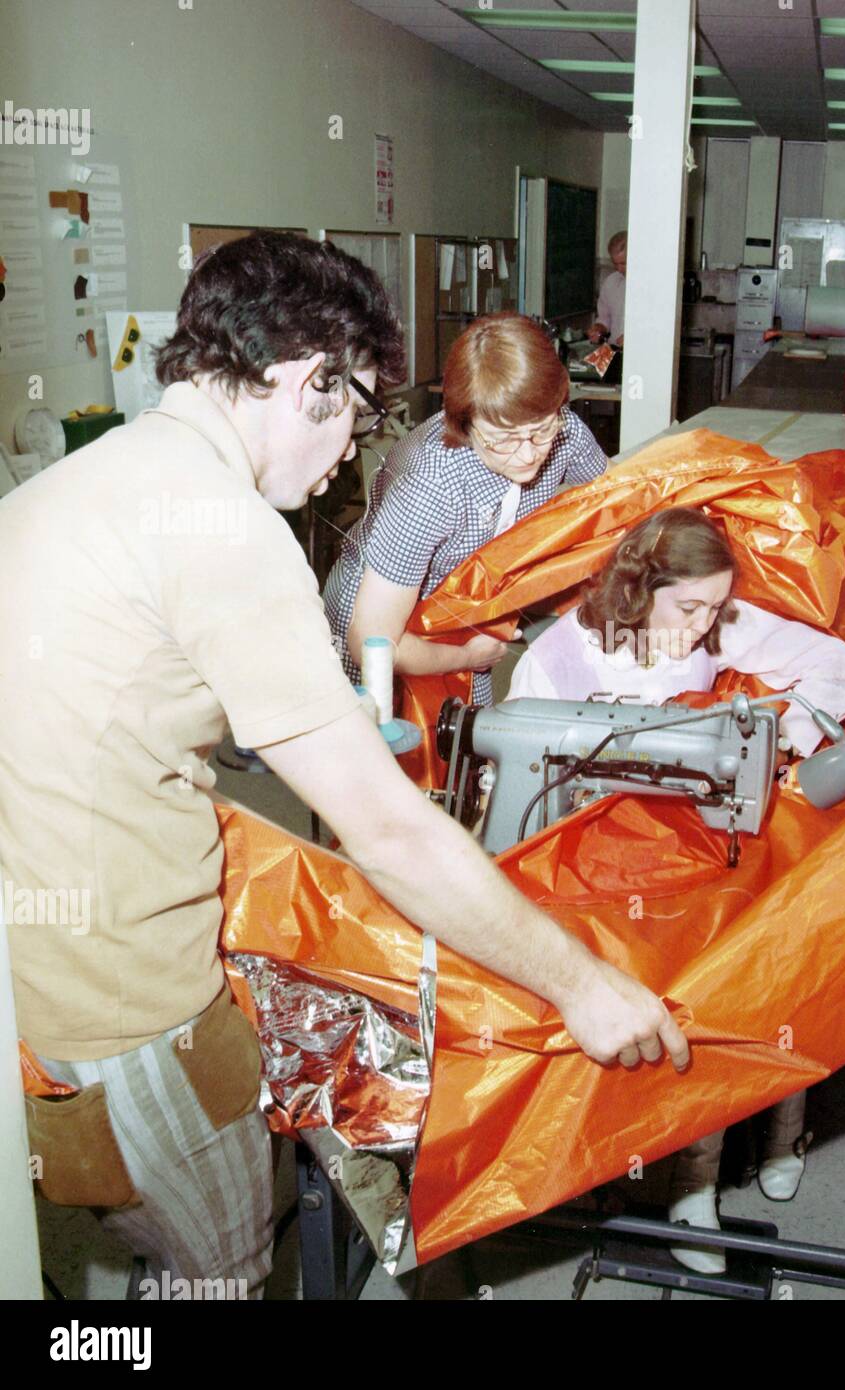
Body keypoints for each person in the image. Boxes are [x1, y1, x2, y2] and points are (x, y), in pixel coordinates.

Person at [0, 232, 687, 1298]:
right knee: (217, 1271)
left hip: (27, 980)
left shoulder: (71, 485)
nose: (349, 456)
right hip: (124, 1011)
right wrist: (581, 983)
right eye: (357, 413)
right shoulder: (227, 531)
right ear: (306, 377)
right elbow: (389, 827)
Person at [509, 507, 845, 1273]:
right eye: (690, 608)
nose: (707, 624)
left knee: (760, 956)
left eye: (717, 608)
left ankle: (759, 1141)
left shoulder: (714, 620)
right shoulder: (558, 662)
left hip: (699, 846)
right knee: (671, 981)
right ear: (637, 588)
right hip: (601, 864)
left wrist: (782, 741)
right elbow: (524, 780)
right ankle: (674, 1169)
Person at [323, 312, 607, 704]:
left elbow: (614, 501)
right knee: (383, 738)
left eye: (540, 431)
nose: (528, 454)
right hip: (375, 613)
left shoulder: (563, 431)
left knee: (463, 735)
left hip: (464, 607)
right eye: (503, 439)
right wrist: (464, 656)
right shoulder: (432, 481)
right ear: (465, 424)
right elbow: (375, 645)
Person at [587, 230, 626, 347]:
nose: (619, 269)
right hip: (613, 350)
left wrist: (637, 337)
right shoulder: (611, 282)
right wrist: (599, 328)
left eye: (623, 263)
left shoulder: (649, 285)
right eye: (615, 263)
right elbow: (604, 318)